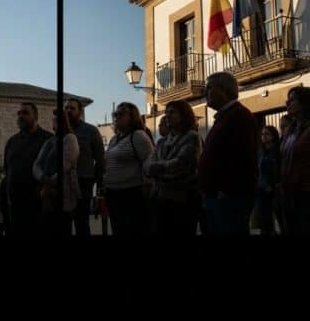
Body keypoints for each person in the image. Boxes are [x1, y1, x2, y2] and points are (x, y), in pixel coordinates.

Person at [198, 72, 257, 236]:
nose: (205, 92)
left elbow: (242, 158)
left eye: (209, 88)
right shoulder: (225, 117)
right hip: (218, 198)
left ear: (224, 89)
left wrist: (225, 190)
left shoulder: (239, 116)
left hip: (228, 199)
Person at [143, 100, 201, 236]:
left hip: (182, 202)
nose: (167, 116)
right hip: (159, 200)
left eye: (172, 112)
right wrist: (162, 167)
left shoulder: (191, 137)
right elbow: (146, 166)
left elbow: (180, 166)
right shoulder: (161, 142)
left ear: (184, 115)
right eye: (166, 112)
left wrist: (156, 170)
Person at [103, 102, 154, 236]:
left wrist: (147, 189)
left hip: (131, 195)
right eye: (115, 114)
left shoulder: (138, 136)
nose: (117, 117)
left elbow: (149, 164)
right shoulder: (114, 139)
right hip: (113, 195)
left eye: (122, 114)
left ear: (132, 117)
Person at [4, 102, 52, 236]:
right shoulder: (12, 141)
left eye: (25, 113)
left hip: (38, 205)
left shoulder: (48, 140)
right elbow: (8, 171)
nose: (20, 116)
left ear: (35, 116)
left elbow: (51, 172)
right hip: (14, 205)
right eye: (19, 113)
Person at [33, 109, 80, 237]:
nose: (55, 121)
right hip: (46, 195)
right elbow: (37, 164)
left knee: (61, 228)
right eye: (54, 119)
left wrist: (49, 184)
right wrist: (43, 178)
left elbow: (65, 166)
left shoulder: (70, 139)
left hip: (61, 194)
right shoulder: (50, 141)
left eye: (59, 119)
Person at [64, 98, 105, 237]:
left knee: (81, 223)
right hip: (64, 184)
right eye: (66, 108)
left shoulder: (91, 131)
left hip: (83, 183)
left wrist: (93, 180)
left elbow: (100, 158)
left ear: (80, 112)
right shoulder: (60, 131)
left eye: (72, 108)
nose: (68, 111)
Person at [281, 86, 310, 235]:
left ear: (304, 104)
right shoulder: (291, 129)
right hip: (289, 193)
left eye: (292, 100)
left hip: (305, 194)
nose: (287, 103)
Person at [256, 125, 281, 236]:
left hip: (274, 190)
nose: (264, 136)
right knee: (264, 220)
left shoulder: (277, 151)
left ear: (273, 136)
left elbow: (278, 169)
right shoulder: (261, 152)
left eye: (267, 134)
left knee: (278, 218)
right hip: (261, 190)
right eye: (262, 134)